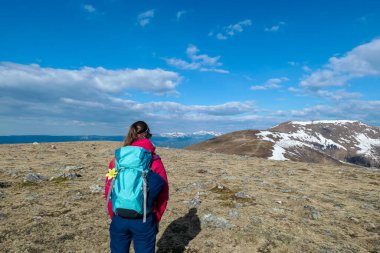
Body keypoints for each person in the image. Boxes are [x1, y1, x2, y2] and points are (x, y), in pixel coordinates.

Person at [104, 121, 169, 253]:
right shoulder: (153, 159)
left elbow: (109, 189)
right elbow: (163, 193)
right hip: (144, 219)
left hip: (119, 216)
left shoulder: (118, 159)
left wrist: (114, 214)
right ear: (147, 134)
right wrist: (156, 217)